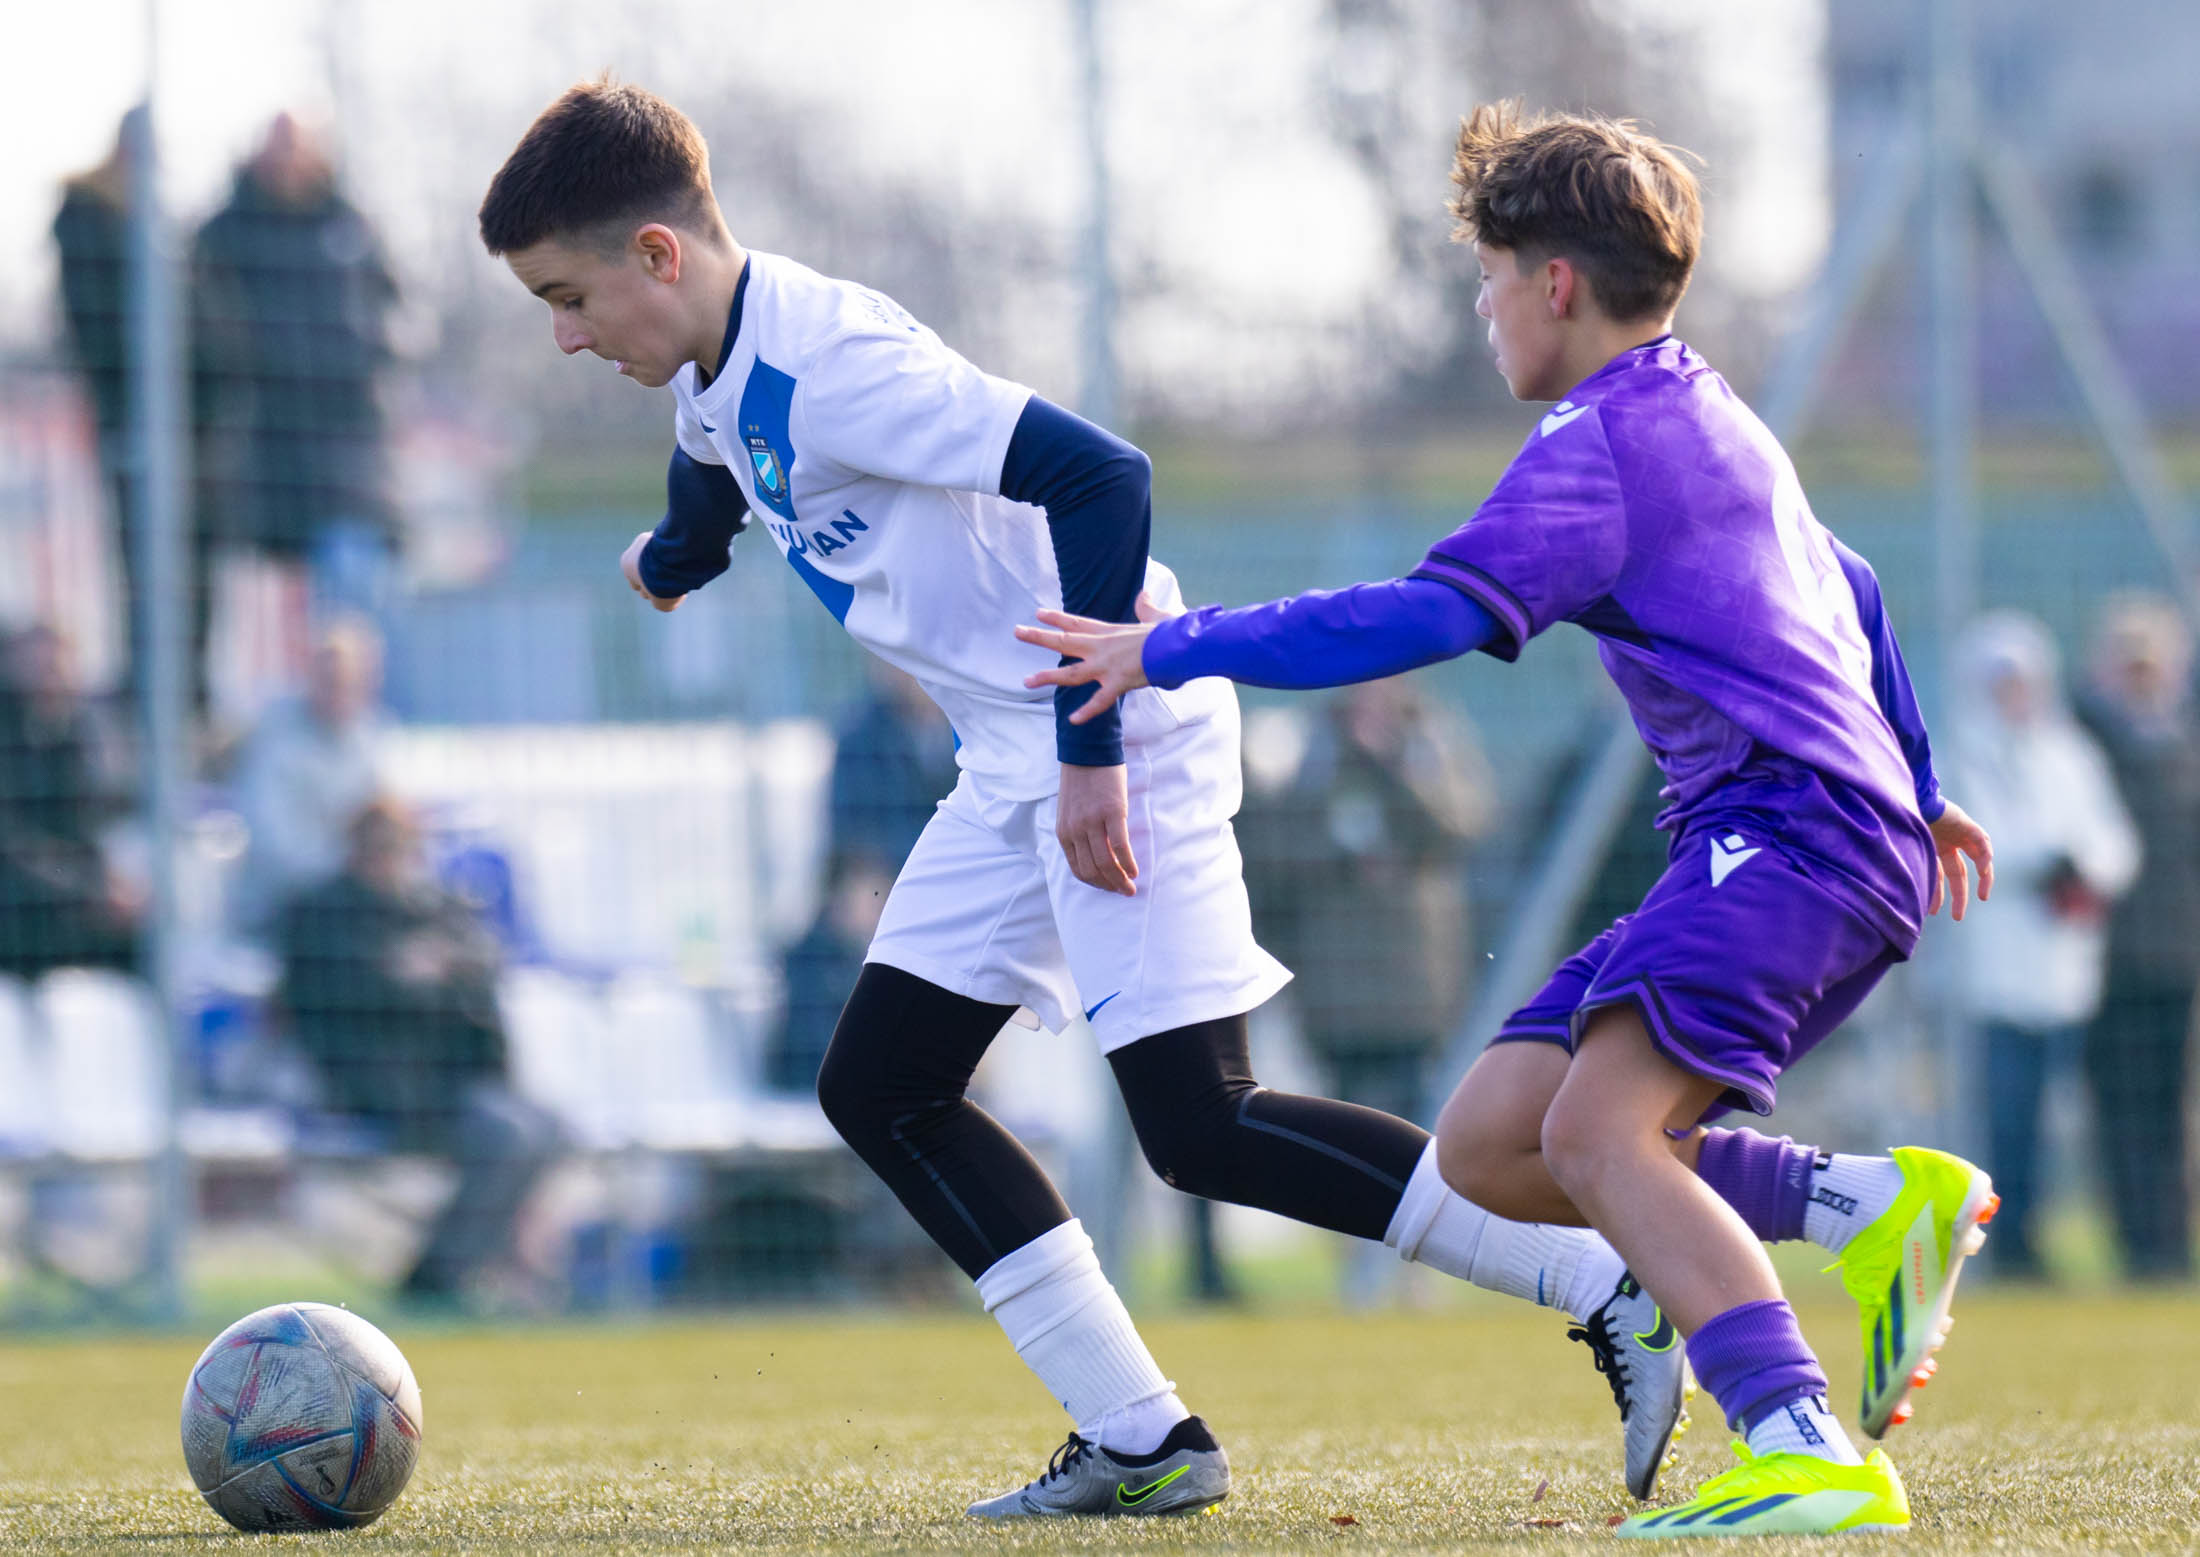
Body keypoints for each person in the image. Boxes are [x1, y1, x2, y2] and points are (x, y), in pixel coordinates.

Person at [478, 79, 1690, 1518]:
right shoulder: (711, 372)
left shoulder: (840, 363)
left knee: (1201, 1120)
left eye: (567, 297)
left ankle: (1605, 1280)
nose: (561, 336)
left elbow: (1101, 476)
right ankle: (1140, 1435)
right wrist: (670, 561)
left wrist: (1091, 756)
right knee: (882, 1086)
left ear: (658, 257)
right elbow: (712, 468)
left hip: (1117, 730)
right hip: (1012, 757)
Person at [1020, 104, 2000, 1537]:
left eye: (1488, 280)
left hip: (1790, 835)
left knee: (1602, 1136)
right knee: (1490, 1142)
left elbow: (1425, 612)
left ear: (1553, 283)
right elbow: (1846, 584)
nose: (1483, 311)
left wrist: (1167, 645)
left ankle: (1801, 1439)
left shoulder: (1597, 440)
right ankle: (1860, 1206)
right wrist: (1915, 781)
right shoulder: (1706, 405)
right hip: (1813, 830)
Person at [1240, 679, 1493, 1303]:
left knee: (1422, 1114)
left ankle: (1425, 1262)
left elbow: (1460, 824)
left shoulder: (1431, 732)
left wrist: (1386, 766)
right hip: (1334, 981)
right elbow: (1269, 847)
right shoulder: (1304, 743)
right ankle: (1362, 1259)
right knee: (1344, 1115)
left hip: (1419, 980)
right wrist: (1339, 852)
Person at [276, 798, 559, 1303]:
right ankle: (435, 1282)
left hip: (452, 1081)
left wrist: (427, 975)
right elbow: (343, 1000)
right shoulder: (321, 913)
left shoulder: (432, 909)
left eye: (399, 846)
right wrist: (413, 977)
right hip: (375, 1088)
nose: (388, 858)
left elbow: (480, 976)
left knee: (550, 1126)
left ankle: (469, 1268)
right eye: (377, 846)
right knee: (508, 1133)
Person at [1945, 614, 2138, 1279]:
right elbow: (1977, 839)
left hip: (2068, 969)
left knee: (2066, 1125)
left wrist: (2084, 867)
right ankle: (2012, 1243)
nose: (2015, 696)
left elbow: (2115, 840)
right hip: (1995, 973)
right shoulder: (1959, 755)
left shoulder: (2069, 753)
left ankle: (2063, 1239)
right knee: (2007, 1119)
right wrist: (2039, 862)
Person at [192, 114, 401, 633]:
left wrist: (370, 350)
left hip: (344, 449)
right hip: (256, 448)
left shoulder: (351, 226)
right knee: (257, 611)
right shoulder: (223, 233)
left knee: (351, 597)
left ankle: (353, 707)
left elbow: (397, 311)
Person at [52, 111, 217, 711]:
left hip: (189, 422)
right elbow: (94, 323)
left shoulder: (165, 222)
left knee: (192, 553)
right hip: (133, 413)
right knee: (141, 547)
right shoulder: (89, 215)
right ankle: (148, 684)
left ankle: (186, 684)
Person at [2074, 594, 2200, 1280]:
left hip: (2178, 956)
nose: (2143, 678)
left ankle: (2169, 1246)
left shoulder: (2184, 744)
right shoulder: (2086, 741)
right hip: (2108, 960)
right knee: (2120, 1112)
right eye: (2131, 665)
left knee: (2172, 1112)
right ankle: (2133, 1242)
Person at [229, 614, 390, 936]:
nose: (342, 692)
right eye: (332, 680)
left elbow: (386, 825)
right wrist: (348, 869)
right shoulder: (275, 737)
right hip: (281, 911)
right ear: (312, 676)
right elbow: (274, 844)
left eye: (354, 682)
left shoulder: (372, 739)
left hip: (355, 905)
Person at [0, 626, 139, 978]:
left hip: (69, 893)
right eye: (43, 668)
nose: (54, 679)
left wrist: (106, 882)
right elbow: (13, 842)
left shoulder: (75, 735)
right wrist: (85, 889)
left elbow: (90, 824)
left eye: (60, 668)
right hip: (23, 901)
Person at [829, 663, 959, 878]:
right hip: (887, 876)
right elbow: (849, 837)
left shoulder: (966, 726)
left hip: (954, 869)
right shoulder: (859, 735)